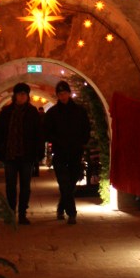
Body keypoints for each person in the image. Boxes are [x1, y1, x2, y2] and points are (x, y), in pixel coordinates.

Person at [0, 83, 44, 225]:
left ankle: (22, 213)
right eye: (19, 94)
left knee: (25, 186)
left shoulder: (32, 113)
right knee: (10, 185)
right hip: (10, 154)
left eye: (24, 94)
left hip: (27, 155)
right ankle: (10, 212)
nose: (22, 96)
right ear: (15, 96)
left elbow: (38, 134)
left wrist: (39, 152)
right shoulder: (6, 112)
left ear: (27, 96)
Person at [44, 80, 91, 224]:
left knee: (71, 182)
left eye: (64, 93)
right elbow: (46, 132)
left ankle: (61, 207)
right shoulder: (52, 113)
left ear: (69, 94)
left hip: (75, 152)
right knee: (63, 182)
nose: (62, 96)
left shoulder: (79, 111)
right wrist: (57, 141)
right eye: (59, 94)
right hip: (59, 152)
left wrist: (82, 142)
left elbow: (86, 129)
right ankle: (72, 213)